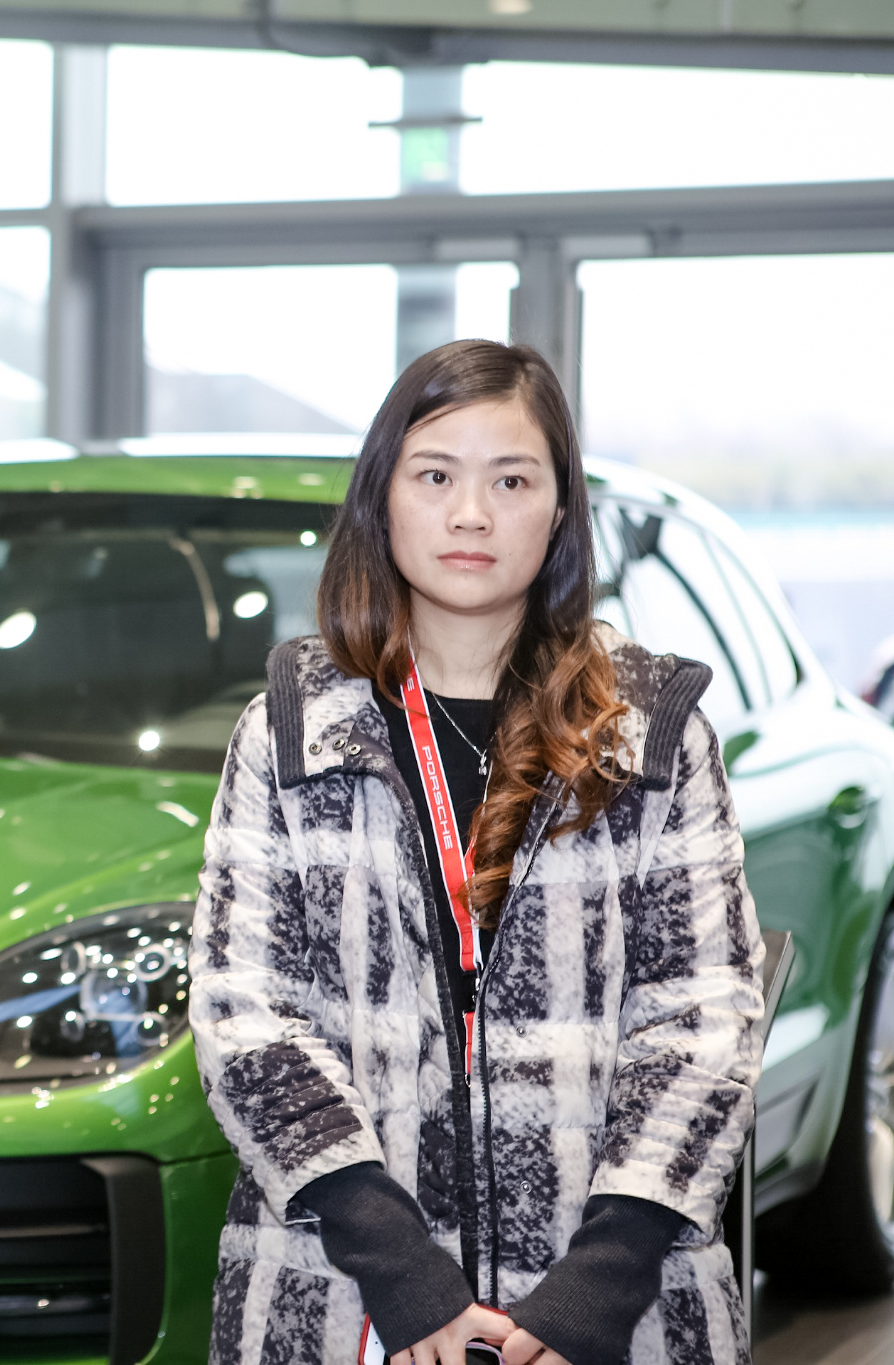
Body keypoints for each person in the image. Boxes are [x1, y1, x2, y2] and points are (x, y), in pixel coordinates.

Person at [187, 339, 762, 1365]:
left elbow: (703, 1019)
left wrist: (595, 1286)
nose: (470, 515)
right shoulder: (290, 730)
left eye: (511, 481)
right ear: (381, 498)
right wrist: (400, 1269)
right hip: (343, 1293)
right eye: (435, 476)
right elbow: (245, 1015)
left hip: (610, 1305)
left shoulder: (651, 735)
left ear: (559, 510)